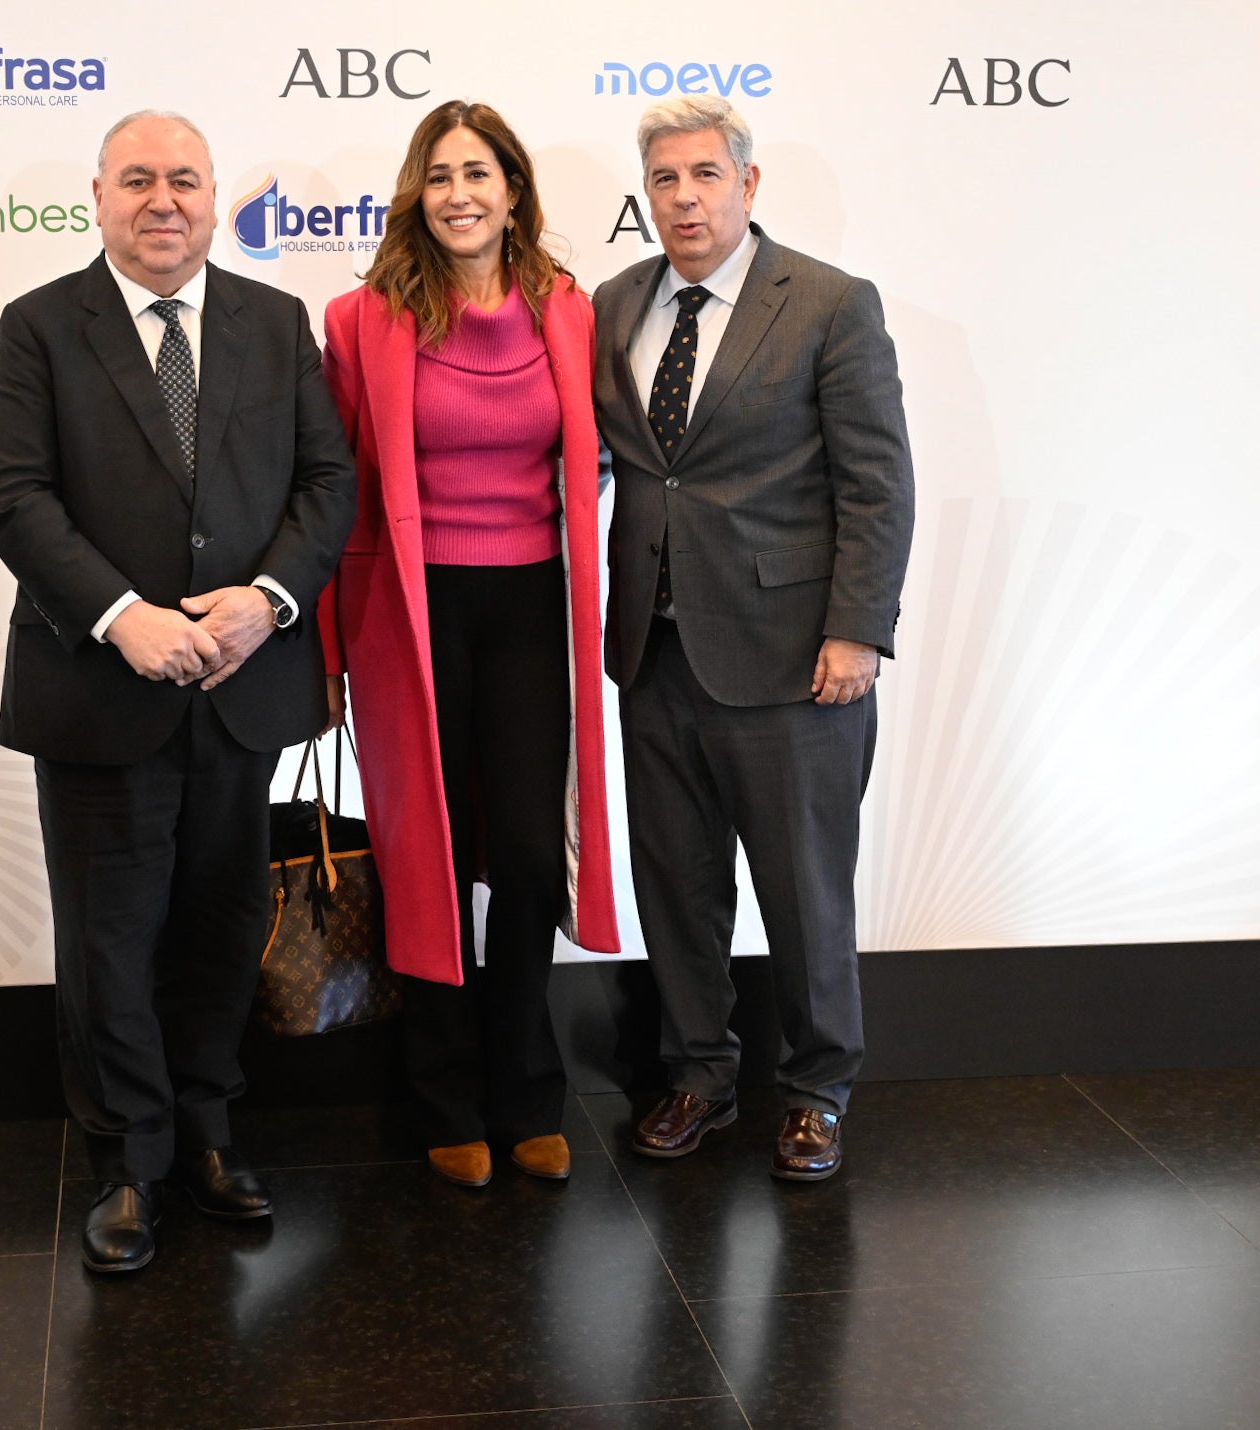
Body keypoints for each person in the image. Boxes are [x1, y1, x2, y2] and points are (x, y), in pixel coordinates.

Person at [0, 110, 357, 1270]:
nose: (163, 201)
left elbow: (328, 482)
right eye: (137, 180)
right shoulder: (42, 325)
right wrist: (121, 616)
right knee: (109, 938)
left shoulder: (276, 321)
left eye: (183, 180)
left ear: (212, 196)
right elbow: (14, 494)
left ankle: (205, 1135)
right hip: (100, 690)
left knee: (222, 923)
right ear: (98, 197)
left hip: (244, 689)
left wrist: (271, 599)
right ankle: (128, 1163)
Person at [594, 95, 915, 1182]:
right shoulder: (614, 304)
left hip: (793, 661)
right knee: (676, 888)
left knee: (804, 890)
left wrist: (857, 631)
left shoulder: (829, 302)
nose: (684, 198)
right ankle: (697, 1072)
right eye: (664, 182)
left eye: (703, 176)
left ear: (748, 183)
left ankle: (818, 1088)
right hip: (653, 653)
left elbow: (878, 485)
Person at [319, 100, 621, 1190]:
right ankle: (444, 1095)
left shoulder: (568, 310)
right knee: (429, 853)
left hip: (533, 600)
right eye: (439, 174)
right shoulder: (360, 320)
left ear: (513, 191)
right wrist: (333, 657)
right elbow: (345, 494)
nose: (459, 193)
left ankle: (527, 1088)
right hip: (410, 606)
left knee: (534, 857)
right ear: (417, 192)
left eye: (479, 173)